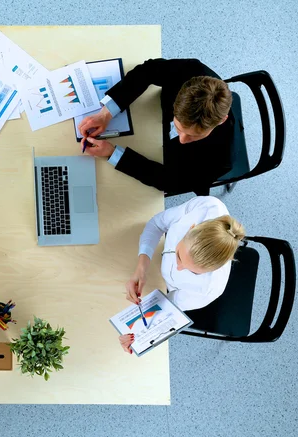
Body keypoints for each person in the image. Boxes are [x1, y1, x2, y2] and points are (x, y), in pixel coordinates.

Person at [78, 58, 235, 195]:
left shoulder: (221, 160)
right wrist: (106, 114)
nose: (182, 140)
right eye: (179, 129)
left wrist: (112, 153)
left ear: (221, 121)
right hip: (157, 114)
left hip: (186, 162)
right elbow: (148, 70)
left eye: (194, 135)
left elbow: (170, 181)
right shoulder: (191, 70)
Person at [118, 196, 245, 354]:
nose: (178, 268)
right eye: (178, 255)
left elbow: (168, 307)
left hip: (167, 291)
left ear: (213, 270)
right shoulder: (206, 206)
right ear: (191, 228)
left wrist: (135, 335)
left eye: (192, 271)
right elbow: (157, 224)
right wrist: (141, 268)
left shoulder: (208, 289)